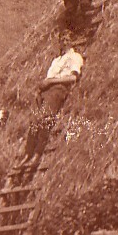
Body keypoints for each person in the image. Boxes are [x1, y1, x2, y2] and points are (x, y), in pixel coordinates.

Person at [20, 36, 85, 166]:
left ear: (71, 41)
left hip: (58, 88)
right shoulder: (56, 60)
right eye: (62, 40)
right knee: (34, 119)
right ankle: (28, 153)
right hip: (46, 90)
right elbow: (49, 77)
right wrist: (41, 89)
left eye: (67, 39)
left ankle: (37, 154)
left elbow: (73, 78)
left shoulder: (75, 57)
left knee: (45, 117)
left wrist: (51, 82)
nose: (64, 42)